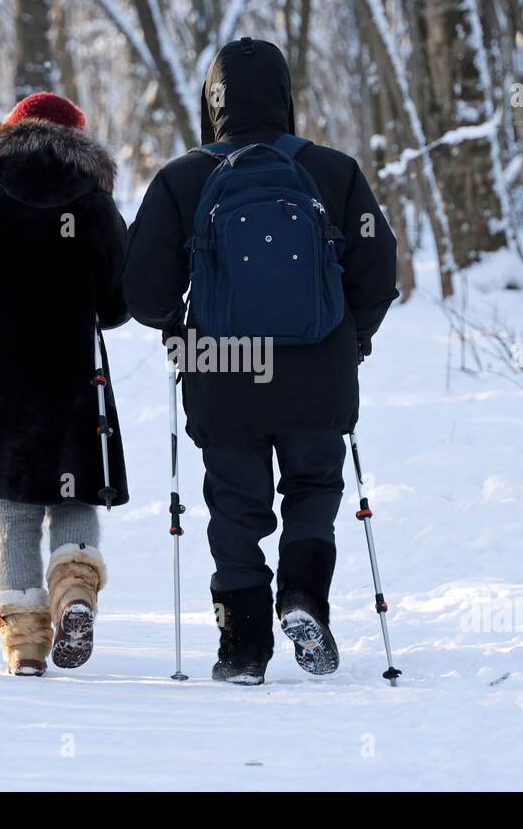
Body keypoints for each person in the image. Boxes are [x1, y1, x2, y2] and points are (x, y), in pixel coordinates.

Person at [123, 38, 398, 684]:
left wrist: (177, 331)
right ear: (283, 94)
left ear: (211, 99)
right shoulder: (335, 171)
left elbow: (141, 289)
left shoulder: (181, 177)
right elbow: (378, 267)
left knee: (234, 507)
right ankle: (303, 596)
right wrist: (350, 337)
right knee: (313, 490)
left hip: (222, 369)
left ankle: (242, 646)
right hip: (318, 367)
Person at [0, 92, 129, 677]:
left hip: (0, 377)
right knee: (74, 490)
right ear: (80, 145)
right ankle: (74, 592)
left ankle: (25, 644)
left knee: (15, 507)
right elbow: (119, 301)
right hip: (75, 378)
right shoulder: (93, 208)